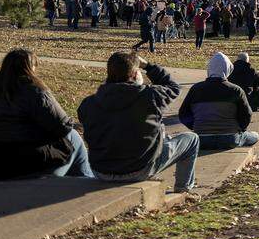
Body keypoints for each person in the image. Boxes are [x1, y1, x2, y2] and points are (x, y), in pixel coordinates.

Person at [78, 52, 199, 193]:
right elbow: (173, 87)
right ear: (135, 74)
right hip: (140, 169)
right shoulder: (150, 96)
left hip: (101, 170)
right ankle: (183, 190)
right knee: (191, 140)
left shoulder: (88, 104)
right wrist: (148, 66)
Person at [0, 49, 93, 179]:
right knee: (73, 137)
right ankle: (87, 182)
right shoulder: (34, 91)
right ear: (30, 68)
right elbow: (63, 126)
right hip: (29, 164)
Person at [180, 53, 259, 150]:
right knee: (255, 136)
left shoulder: (196, 89)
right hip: (229, 138)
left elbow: (183, 114)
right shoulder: (236, 90)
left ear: (209, 69)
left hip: (202, 139)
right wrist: (240, 129)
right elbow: (247, 115)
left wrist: (195, 126)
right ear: (228, 68)